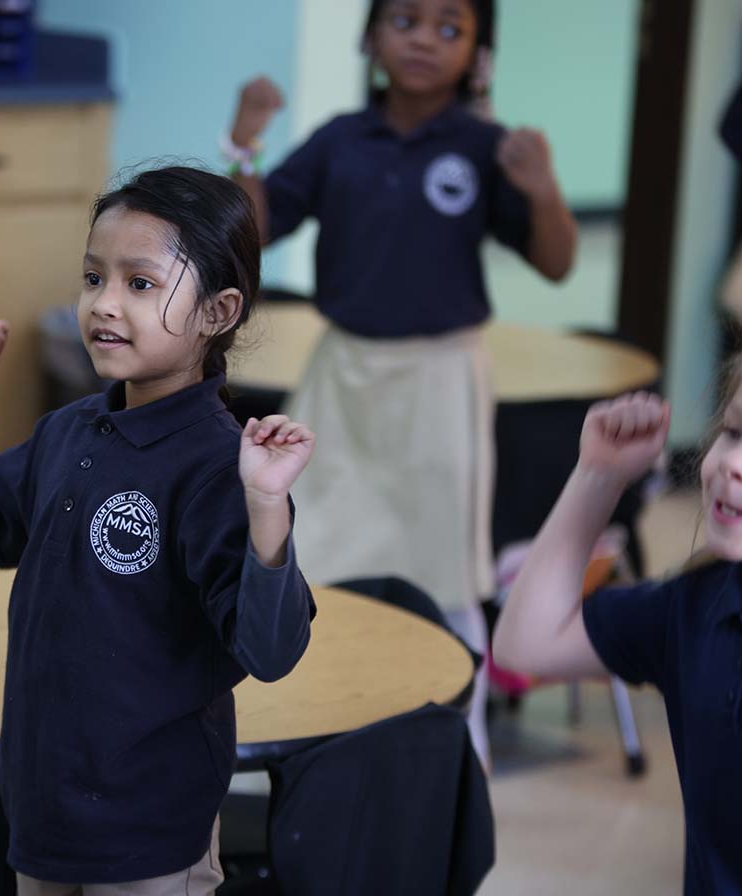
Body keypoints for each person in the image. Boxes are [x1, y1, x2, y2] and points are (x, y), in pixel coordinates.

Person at [0, 166, 317, 894]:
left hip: (153, 823)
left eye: (140, 284)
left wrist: (267, 508)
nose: (104, 304)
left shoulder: (219, 466)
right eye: (92, 278)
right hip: (44, 799)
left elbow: (269, 651)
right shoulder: (69, 430)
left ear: (218, 311)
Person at [224, 0, 578, 767]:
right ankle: (315, 732)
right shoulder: (340, 141)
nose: (424, 40)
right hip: (342, 373)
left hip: (442, 377)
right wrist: (245, 144)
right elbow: (251, 233)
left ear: (480, 53)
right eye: (406, 20)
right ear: (370, 36)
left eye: (451, 28)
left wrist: (543, 188)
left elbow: (556, 263)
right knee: (312, 550)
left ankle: (459, 749)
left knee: (444, 569)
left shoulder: (489, 146)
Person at [491, 380, 742, 893]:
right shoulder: (698, 604)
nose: (733, 464)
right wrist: (599, 476)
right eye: (735, 432)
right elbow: (525, 644)